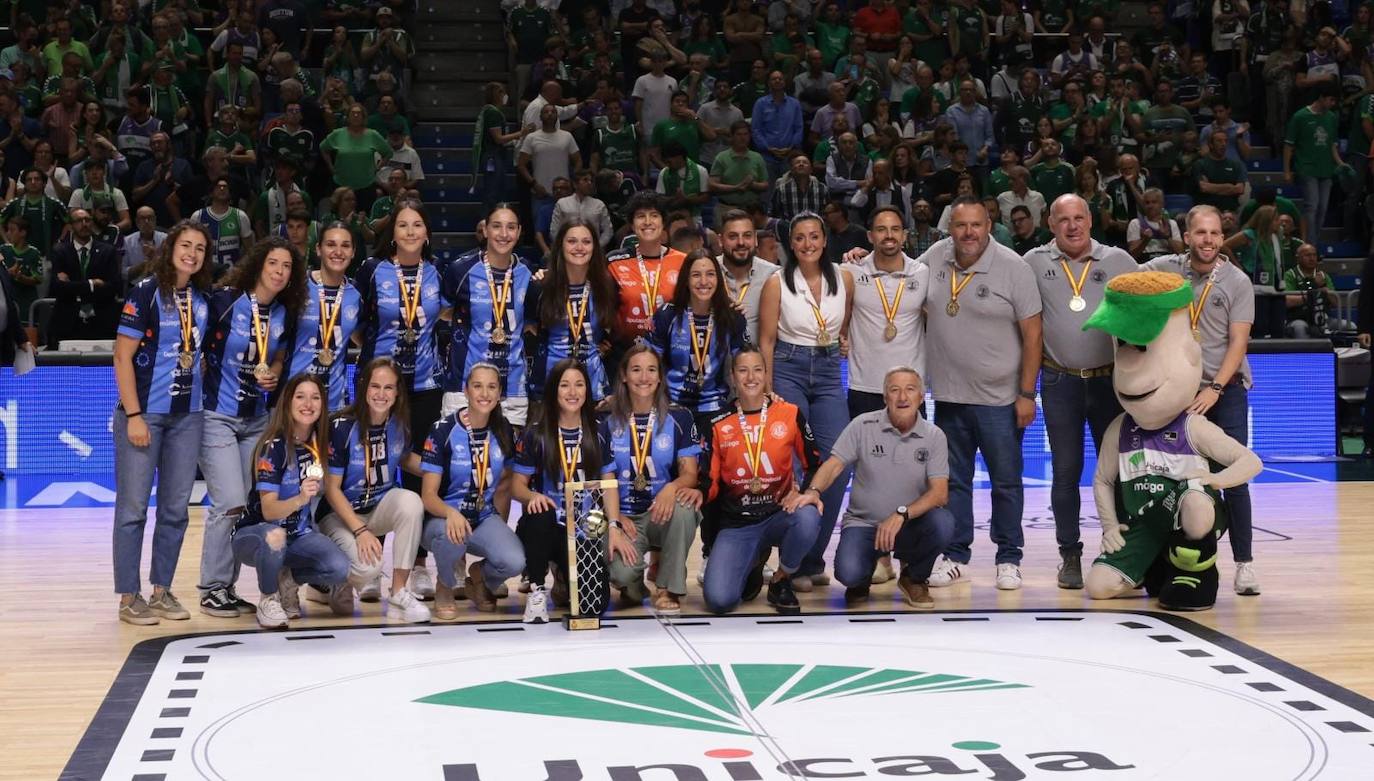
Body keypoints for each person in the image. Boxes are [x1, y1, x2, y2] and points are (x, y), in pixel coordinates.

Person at [919, 196, 1042, 590]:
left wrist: (1026, 393)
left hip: (1000, 400)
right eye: (960, 226)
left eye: (976, 225)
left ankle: (1009, 557)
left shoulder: (1013, 267)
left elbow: (1033, 334)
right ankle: (955, 554)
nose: (968, 233)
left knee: (1006, 481)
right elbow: (895, 275)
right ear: (949, 228)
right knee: (954, 482)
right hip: (950, 398)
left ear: (989, 226)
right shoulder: (934, 258)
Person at [1021, 194, 1135, 589]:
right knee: (1066, 473)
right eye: (1063, 219)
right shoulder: (1033, 262)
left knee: (1118, 471)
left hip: (1110, 383)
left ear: (1090, 220)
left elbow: (1154, 292)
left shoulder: (1119, 260)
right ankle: (1069, 554)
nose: (1072, 226)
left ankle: (1124, 551)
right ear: (1050, 225)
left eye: (1079, 218)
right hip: (1059, 381)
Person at [1145, 205, 1259, 596]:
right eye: (1200, 233)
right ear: (1187, 235)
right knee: (1171, 480)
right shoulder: (1166, 269)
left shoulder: (1237, 282)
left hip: (1221, 393)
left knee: (1235, 479)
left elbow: (1238, 342)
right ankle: (1165, 565)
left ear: (1221, 236)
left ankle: (1244, 563)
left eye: (1214, 233)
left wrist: (1214, 389)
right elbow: (1127, 280)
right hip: (1176, 392)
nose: (1208, 240)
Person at [111, 221, 213, 624]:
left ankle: (161, 590)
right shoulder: (146, 291)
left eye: (200, 248)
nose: (192, 253)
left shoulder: (203, 299)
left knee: (175, 509)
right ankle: (128, 596)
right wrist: (134, 415)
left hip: (188, 416)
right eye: (185, 245)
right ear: (170, 248)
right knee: (133, 509)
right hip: (145, 414)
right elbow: (121, 357)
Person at [198, 237, 306, 618]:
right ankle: (212, 587)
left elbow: (278, 354)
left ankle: (225, 588)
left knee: (245, 503)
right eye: (273, 263)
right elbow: (194, 344)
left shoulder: (283, 313)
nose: (279, 271)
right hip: (217, 415)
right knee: (227, 502)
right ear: (258, 264)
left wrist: (275, 372)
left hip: (257, 419)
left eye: (287, 266)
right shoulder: (224, 302)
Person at [355, 199, 449, 598]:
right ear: (391, 232)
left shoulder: (437, 273)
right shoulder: (372, 270)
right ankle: (366, 563)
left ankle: (421, 562)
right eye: (403, 225)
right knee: (369, 463)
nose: (410, 232)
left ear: (427, 234)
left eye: (417, 225)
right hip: (382, 385)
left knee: (420, 469)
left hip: (425, 384)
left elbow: (444, 316)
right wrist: (376, 360)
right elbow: (354, 321)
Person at [758, 211, 856, 591]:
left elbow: (842, 325)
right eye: (800, 238)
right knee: (795, 464)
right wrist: (768, 388)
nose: (808, 244)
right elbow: (766, 339)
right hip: (788, 367)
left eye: (814, 236)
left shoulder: (844, 277)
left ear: (824, 239)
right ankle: (790, 562)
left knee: (837, 464)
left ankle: (812, 558)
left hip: (829, 370)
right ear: (791, 243)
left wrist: (842, 340)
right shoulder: (776, 282)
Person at [802, 367, 954, 607]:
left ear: (922, 397)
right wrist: (813, 491)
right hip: (864, 525)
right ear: (885, 398)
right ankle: (861, 578)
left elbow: (939, 494)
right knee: (848, 573)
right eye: (895, 390)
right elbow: (833, 465)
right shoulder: (863, 425)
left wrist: (901, 514)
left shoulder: (934, 436)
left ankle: (914, 578)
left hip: (908, 525)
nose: (902, 397)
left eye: (910, 390)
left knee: (943, 523)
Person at [699, 346, 822, 614]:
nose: (751, 377)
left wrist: (807, 491)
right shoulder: (718, 423)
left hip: (780, 512)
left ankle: (781, 579)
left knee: (809, 515)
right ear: (732, 376)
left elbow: (813, 463)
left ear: (767, 375)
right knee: (720, 601)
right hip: (738, 523)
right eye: (743, 370)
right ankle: (752, 562)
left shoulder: (790, 414)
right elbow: (711, 482)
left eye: (757, 370)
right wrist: (696, 494)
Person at [232, 373, 350, 628]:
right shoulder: (273, 446)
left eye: (315, 398)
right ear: (287, 403)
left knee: (339, 568)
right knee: (275, 535)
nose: (308, 404)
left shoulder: (319, 443)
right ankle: (269, 597)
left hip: (298, 535)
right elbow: (269, 509)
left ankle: (289, 582)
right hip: (255, 534)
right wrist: (300, 498)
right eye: (300, 397)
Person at [317, 358, 430, 623]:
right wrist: (360, 530)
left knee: (411, 502)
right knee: (368, 570)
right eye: (375, 386)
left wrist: (439, 470)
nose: (381, 394)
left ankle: (399, 593)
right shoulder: (341, 426)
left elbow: (403, 458)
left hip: (377, 508)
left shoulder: (399, 423)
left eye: (388, 388)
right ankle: (330, 581)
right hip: (339, 515)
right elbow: (332, 490)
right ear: (364, 388)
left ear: (397, 392)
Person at [511, 360, 623, 623]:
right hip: (547, 526)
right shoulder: (537, 433)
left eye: (579, 384)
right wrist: (531, 496)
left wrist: (615, 525)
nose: (572, 392)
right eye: (564, 385)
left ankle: (564, 577)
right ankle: (537, 588)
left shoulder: (598, 432)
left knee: (594, 606)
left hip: (583, 530)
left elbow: (608, 483)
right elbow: (517, 486)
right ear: (553, 390)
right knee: (539, 512)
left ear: (587, 390)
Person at [599, 345, 704, 614]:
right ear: (623, 376)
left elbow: (690, 473)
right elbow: (603, 479)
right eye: (636, 369)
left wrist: (673, 486)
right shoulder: (606, 421)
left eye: (651, 370)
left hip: (660, 511)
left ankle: (669, 587)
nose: (643, 377)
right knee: (621, 575)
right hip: (625, 517)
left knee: (685, 507)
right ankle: (633, 585)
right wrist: (614, 518)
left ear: (660, 377)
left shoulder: (679, 417)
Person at [419, 363, 527, 618]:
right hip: (443, 519)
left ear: (500, 393)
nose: (484, 393)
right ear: (466, 391)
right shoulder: (443, 430)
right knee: (452, 538)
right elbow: (428, 496)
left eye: (492, 387)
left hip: (482, 517)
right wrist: (450, 513)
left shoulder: (504, 431)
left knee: (514, 561)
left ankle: (479, 577)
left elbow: (504, 485)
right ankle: (445, 585)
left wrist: (498, 528)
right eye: (477, 386)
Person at [443, 204, 535, 432]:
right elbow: (444, 313)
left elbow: (530, 324)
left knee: (507, 463)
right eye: (497, 226)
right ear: (485, 230)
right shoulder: (460, 270)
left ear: (519, 231)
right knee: (460, 462)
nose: (504, 234)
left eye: (511, 227)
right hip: (464, 386)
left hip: (512, 387)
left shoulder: (528, 272)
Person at [529, 221, 617, 412]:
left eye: (586, 241)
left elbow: (610, 334)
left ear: (595, 246)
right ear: (560, 245)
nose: (579, 248)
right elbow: (530, 335)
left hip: (595, 389)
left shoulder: (606, 286)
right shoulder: (541, 286)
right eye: (572, 241)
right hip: (550, 385)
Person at [651, 250, 747, 420]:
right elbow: (649, 361)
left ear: (718, 279)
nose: (704, 282)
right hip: (671, 406)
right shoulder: (668, 315)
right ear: (686, 280)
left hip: (715, 406)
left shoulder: (732, 317)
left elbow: (745, 363)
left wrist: (746, 398)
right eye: (696, 275)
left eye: (710, 274)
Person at [283, 223, 361, 412]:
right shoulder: (296, 287)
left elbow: (362, 337)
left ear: (353, 252)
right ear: (318, 249)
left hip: (333, 403)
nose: (338, 251)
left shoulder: (357, 294)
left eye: (345, 245)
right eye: (331, 244)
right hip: (292, 398)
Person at [606, 192, 686, 362]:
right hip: (625, 355)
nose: (648, 222)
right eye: (641, 216)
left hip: (671, 356)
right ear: (632, 225)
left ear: (663, 223)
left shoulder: (683, 262)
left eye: (654, 216)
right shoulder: (614, 261)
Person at [46, 207, 119, 347]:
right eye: (79, 221)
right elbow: (57, 287)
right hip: (68, 320)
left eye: (87, 220)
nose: (84, 224)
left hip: (101, 319)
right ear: (71, 226)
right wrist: (92, 284)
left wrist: (71, 285)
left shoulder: (107, 251)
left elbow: (114, 286)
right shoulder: (60, 251)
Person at [1283, 83, 1343, 241]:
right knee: (1312, 206)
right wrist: (1287, 170)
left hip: (1326, 169)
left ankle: (1312, 242)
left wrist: (1340, 163)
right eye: (1330, 100)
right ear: (1321, 98)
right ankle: (1311, 246)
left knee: (1322, 209)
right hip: (1307, 168)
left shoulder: (1331, 117)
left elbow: (1332, 145)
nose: (1332, 104)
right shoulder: (1300, 116)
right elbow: (1289, 145)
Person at [1223, 204, 1286, 339]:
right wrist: (1238, 266)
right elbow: (1224, 246)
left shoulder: (1277, 236)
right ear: (1266, 221)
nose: (1278, 223)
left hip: (1276, 282)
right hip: (1254, 281)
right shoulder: (1249, 234)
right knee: (1260, 323)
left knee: (1278, 325)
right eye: (1275, 220)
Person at [716, 209, 779, 344]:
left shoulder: (773, 275)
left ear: (755, 239)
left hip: (758, 361)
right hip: (715, 360)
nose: (741, 242)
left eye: (747, 236)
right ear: (720, 240)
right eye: (733, 237)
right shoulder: (708, 272)